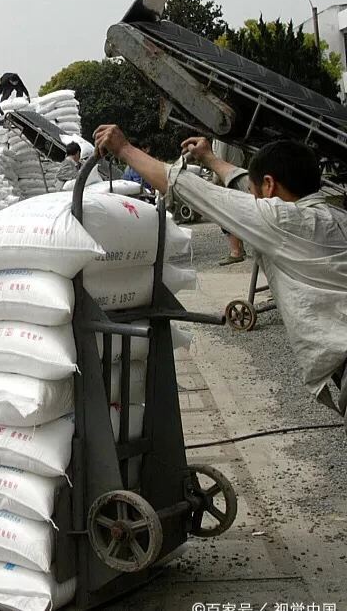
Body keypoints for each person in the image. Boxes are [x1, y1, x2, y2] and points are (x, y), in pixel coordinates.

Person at [93, 124, 347, 424]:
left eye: (256, 193)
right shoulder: (333, 217)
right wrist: (211, 159)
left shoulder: (282, 221)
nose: (252, 199)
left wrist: (125, 150)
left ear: (269, 186)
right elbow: (243, 193)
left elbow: (197, 192)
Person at [212, 139, 247, 265]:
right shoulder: (234, 136)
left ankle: (235, 251)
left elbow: (218, 160)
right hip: (236, 173)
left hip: (225, 177)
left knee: (225, 215)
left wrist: (215, 181)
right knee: (236, 213)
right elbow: (242, 156)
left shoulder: (220, 139)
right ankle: (240, 248)